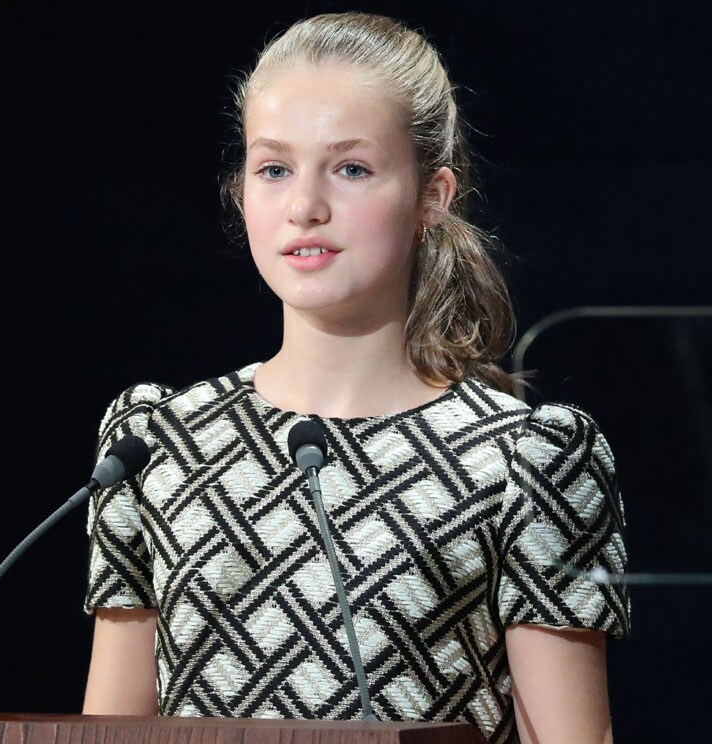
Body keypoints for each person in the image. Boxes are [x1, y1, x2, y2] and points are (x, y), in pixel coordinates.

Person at [81, 12, 630, 744]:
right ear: (240, 192)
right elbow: (107, 734)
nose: (305, 207)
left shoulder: (525, 462)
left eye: (351, 168)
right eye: (274, 169)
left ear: (432, 196)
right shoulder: (156, 443)